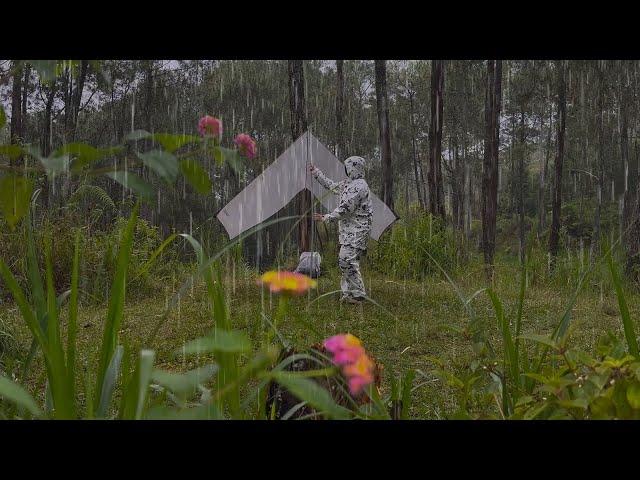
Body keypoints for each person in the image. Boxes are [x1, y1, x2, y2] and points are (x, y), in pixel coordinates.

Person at [309, 156, 372, 304]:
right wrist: (316, 173)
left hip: (358, 230)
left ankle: (358, 294)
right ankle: (349, 293)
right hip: (350, 230)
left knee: (346, 259)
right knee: (347, 260)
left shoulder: (360, 186)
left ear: (353, 167)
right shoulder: (349, 183)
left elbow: (346, 208)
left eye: (347, 167)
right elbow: (332, 186)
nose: (346, 169)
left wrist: (326, 217)